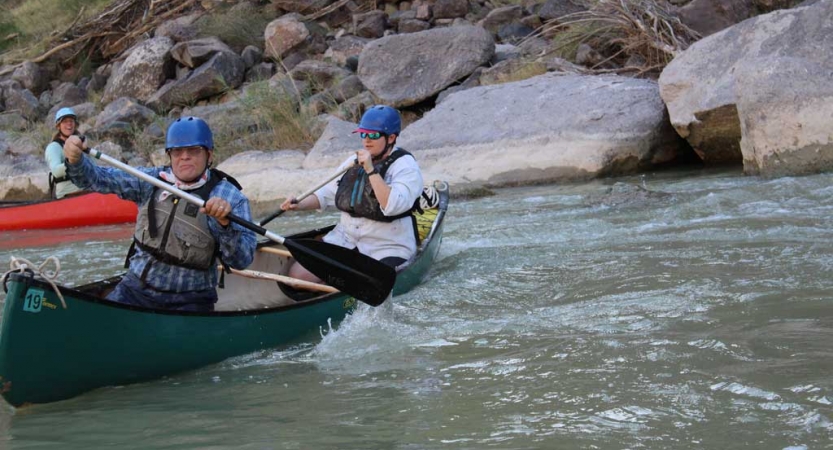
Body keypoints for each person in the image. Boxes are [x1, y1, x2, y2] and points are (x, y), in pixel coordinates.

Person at [63, 116, 257, 312]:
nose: (184, 157)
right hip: (135, 290)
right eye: (177, 151)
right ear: (170, 155)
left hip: (191, 300)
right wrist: (75, 160)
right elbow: (96, 178)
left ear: (209, 154)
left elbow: (241, 261)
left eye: (193, 151)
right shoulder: (151, 180)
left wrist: (225, 225)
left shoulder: (231, 198)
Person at [280, 105, 424, 285]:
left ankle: (339, 287)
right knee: (297, 277)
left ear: (391, 138)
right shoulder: (352, 161)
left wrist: (371, 170)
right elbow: (325, 194)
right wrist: (298, 205)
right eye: (363, 134)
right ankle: (334, 286)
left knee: (374, 283)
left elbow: (392, 205)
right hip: (345, 239)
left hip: (387, 246)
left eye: (373, 135)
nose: (366, 141)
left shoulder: (405, 166)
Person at [44, 107, 85, 199]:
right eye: (65, 121)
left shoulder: (81, 144)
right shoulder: (54, 147)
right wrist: (73, 162)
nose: (69, 123)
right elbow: (56, 171)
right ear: (58, 126)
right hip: (67, 195)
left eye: (71, 121)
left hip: (86, 190)